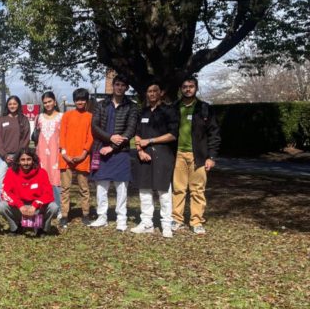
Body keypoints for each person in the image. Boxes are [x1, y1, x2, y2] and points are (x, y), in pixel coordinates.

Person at [172, 76, 221, 235]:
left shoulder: (205, 108)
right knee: (178, 189)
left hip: (198, 155)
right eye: (185, 86)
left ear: (196, 88)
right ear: (180, 88)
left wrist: (211, 157)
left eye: (191, 86)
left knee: (197, 190)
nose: (188, 89)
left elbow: (214, 134)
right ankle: (176, 219)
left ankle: (196, 221)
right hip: (178, 154)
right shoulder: (174, 107)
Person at [89, 74, 138, 231]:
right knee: (101, 186)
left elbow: (130, 130)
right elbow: (94, 126)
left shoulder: (132, 106)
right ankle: (102, 216)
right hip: (100, 150)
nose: (119, 87)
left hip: (120, 152)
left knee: (121, 187)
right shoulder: (101, 105)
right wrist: (110, 137)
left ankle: (121, 219)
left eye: (122, 85)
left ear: (126, 88)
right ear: (113, 85)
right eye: (117, 84)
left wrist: (112, 146)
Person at [131, 82, 179, 238]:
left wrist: (150, 141)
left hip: (163, 155)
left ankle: (166, 224)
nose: (151, 94)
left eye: (154, 91)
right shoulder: (143, 112)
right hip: (143, 155)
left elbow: (172, 135)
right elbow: (137, 133)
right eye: (149, 91)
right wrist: (139, 150)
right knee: (144, 190)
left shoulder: (169, 111)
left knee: (163, 191)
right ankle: (146, 223)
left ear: (161, 93)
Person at [0, 147, 59, 236]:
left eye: (28, 159)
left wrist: (35, 205)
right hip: (19, 208)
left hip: (37, 208)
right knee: (1, 206)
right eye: (22, 160)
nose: (26, 163)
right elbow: (6, 192)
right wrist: (20, 205)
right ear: (18, 161)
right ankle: (16, 227)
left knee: (54, 207)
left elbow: (48, 193)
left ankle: (42, 229)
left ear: (33, 160)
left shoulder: (42, 172)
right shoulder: (11, 172)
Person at [58, 88, 94, 227]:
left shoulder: (90, 117)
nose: (80, 102)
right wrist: (65, 153)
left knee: (84, 188)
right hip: (66, 157)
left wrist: (84, 153)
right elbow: (62, 135)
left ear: (86, 101)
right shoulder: (67, 115)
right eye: (78, 99)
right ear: (74, 101)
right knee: (65, 188)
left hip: (82, 157)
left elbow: (90, 137)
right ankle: (65, 215)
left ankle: (85, 214)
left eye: (83, 99)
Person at [0, 95, 31, 205]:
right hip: (4, 157)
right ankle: (0, 206)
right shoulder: (2, 120)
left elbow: (26, 138)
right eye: (10, 104)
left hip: (19, 157)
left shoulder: (24, 120)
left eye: (15, 104)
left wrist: (18, 156)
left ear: (19, 105)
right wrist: (5, 155)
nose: (12, 106)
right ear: (7, 105)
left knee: (20, 182)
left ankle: (19, 203)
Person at [34, 92, 63, 214]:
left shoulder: (62, 116)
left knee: (56, 179)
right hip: (41, 153)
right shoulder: (39, 117)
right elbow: (35, 136)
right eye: (45, 102)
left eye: (49, 101)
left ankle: (59, 209)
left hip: (56, 153)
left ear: (55, 102)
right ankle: (42, 207)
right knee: (42, 178)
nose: (47, 104)